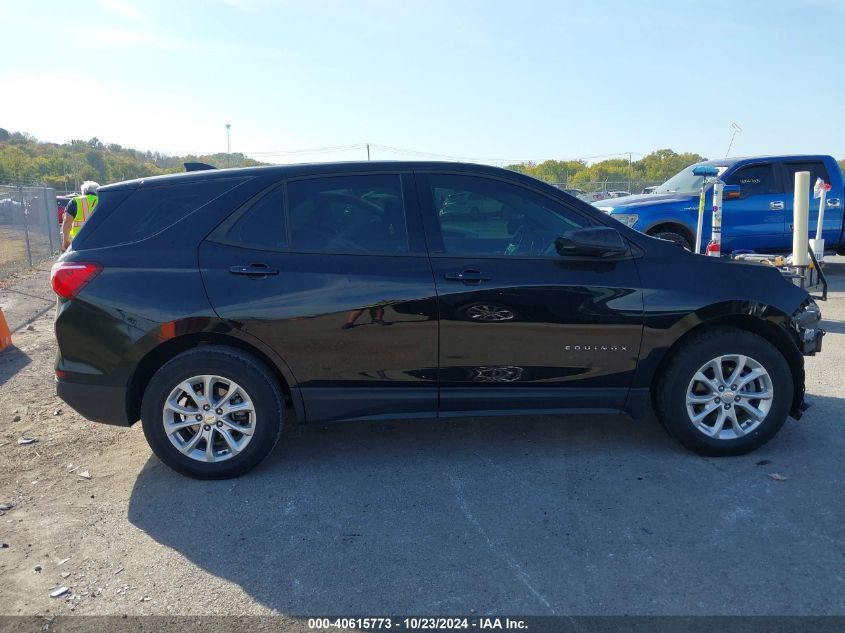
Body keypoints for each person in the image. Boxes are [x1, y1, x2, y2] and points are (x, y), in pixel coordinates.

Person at [61, 181, 100, 250]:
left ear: (83, 192)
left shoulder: (75, 202)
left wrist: (65, 241)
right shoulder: (102, 201)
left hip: (79, 241)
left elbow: (67, 221)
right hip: (100, 241)